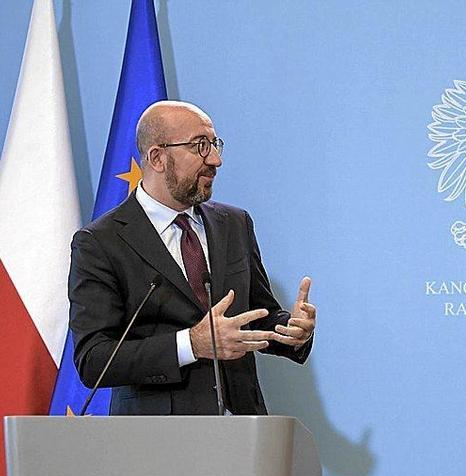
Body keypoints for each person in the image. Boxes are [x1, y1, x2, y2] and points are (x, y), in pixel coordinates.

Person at [69, 100, 316, 415]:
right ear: (158, 157)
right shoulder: (100, 243)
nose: (215, 159)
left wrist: (291, 330)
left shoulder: (235, 223)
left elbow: (257, 314)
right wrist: (190, 344)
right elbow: (94, 359)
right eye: (200, 146)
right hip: (157, 441)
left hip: (244, 431)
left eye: (214, 144)